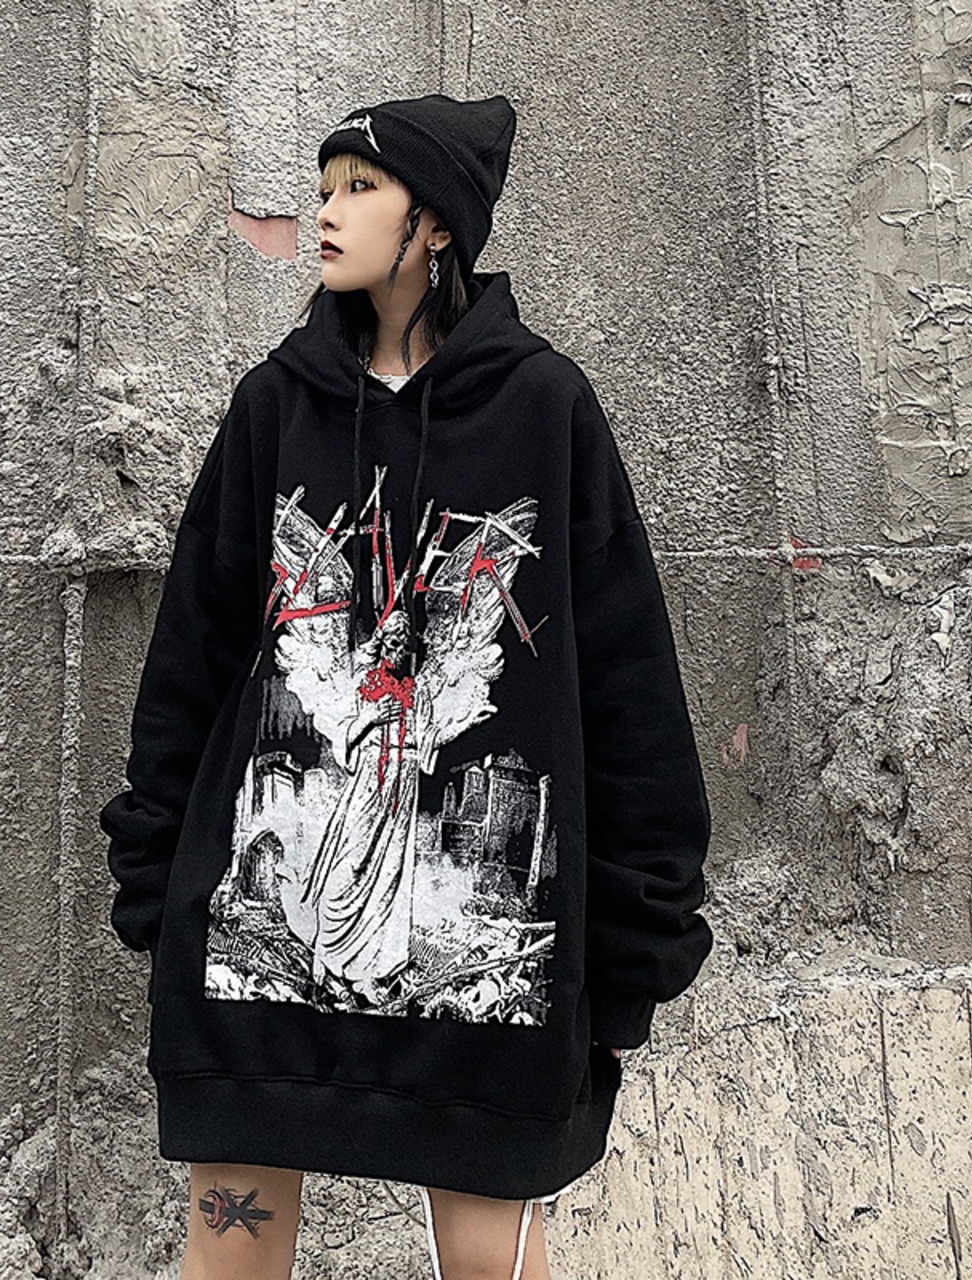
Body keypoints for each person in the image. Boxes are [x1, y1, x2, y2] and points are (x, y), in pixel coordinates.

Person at [99, 93, 714, 1280]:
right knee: (229, 1244)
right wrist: (155, 876)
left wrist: (633, 942)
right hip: (249, 989)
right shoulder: (273, 407)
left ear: (434, 223)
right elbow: (191, 659)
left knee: (488, 1256)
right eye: (321, 187)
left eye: (358, 188)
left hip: (489, 1027)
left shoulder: (545, 409)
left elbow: (627, 681)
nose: (325, 213)